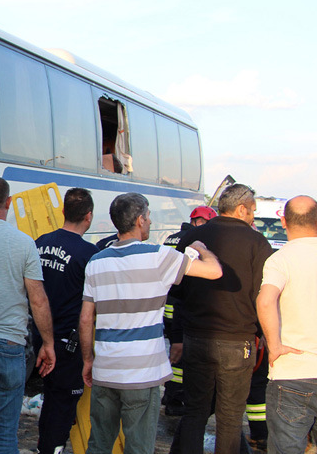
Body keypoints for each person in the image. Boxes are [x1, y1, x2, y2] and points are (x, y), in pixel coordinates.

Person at [79, 192, 222, 454]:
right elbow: (214, 271)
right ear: (140, 220)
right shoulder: (160, 256)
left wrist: (88, 360)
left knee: (98, 444)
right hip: (142, 373)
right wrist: (201, 249)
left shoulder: (96, 261)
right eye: (149, 217)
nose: (151, 223)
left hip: (106, 369)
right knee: (139, 446)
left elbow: (86, 318)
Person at [174, 184, 274, 454]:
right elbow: (263, 295)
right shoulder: (258, 244)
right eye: (252, 210)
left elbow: (177, 290)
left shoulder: (192, 237)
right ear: (241, 209)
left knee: (194, 411)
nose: (253, 216)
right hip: (237, 341)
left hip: (195, 337)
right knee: (230, 418)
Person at [0, 176, 56, 454]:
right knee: (5, 437)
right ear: (8, 202)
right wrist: (48, 344)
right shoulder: (24, 242)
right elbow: (38, 300)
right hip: (9, 347)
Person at [33, 187, 99, 454]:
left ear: (63, 212)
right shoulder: (89, 254)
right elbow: (90, 311)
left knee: (50, 400)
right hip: (66, 345)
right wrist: (88, 356)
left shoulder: (40, 242)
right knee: (62, 405)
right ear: (89, 216)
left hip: (39, 337)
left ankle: (44, 446)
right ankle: (51, 448)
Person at [256, 195, 317, 453]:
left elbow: (266, 300)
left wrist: (275, 345)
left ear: (283, 221)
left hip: (292, 374)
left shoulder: (280, 259)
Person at [163, 205, 217, 417]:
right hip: (180, 307)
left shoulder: (172, 238)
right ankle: (175, 398)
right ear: (201, 222)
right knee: (181, 358)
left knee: (174, 354)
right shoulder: (195, 242)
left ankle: (169, 394)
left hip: (168, 306)